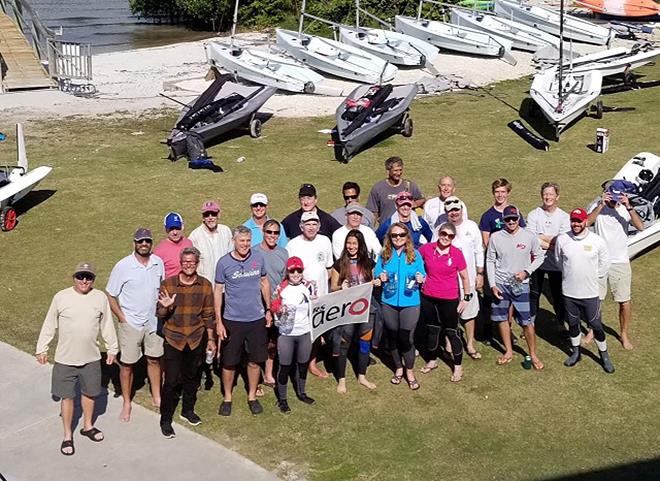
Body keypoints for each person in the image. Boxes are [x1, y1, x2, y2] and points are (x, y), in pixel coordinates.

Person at [36, 262, 118, 456]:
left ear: (93, 280)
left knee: (90, 394)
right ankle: (67, 436)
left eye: (88, 277)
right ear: (74, 277)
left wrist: (112, 348)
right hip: (65, 359)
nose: (84, 280)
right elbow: (49, 324)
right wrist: (42, 348)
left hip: (91, 358)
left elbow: (107, 325)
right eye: (80, 276)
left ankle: (87, 427)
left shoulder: (100, 298)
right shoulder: (61, 297)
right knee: (67, 397)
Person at [156, 247, 216, 438]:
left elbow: (208, 315)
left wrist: (211, 339)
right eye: (185, 262)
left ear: (197, 263)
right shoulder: (168, 284)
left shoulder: (205, 285)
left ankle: (187, 411)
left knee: (192, 378)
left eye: (192, 262)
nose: (188, 265)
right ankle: (165, 419)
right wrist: (165, 308)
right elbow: (159, 313)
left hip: (195, 338)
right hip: (174, 339)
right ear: (180, 263)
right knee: (171, 381)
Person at [106, 227, 165, 422]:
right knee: (128, 364)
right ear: (134, 244)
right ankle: (127, 402)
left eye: (147, 241)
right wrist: (122, 318)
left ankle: (157, 396)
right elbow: (111, 295)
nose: (144, 244)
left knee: (154, 359)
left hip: (153, 322)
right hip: (131, 323)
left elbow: (161, 288)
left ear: (151, 243)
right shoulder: (123, 266)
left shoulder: (158, 263)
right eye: (140, 241)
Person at [214, 226, 272, 416]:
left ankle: (252, 396)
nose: (245, 244)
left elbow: (264, 283)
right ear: (234, 241)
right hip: (232, 320)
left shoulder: (258, 258)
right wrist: (219, 321)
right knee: (229, 363)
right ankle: (227, 397)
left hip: (256, 319)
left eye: (248, 241)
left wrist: (269, 309)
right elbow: (218, 293)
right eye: (242, 241)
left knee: (255, 361)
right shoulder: (224, 263)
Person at [555, 208, 614, 373]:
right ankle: (576, 353)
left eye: (579, 221)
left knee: (595, 325)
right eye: (573, 221)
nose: (576, 224)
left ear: (585, 222)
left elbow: (604, 262)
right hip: (569, 292)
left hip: (590, 293)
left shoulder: (597, 241)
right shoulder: (562, 239)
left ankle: (604, 355)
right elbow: (560, 261)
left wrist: (594, 277)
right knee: (573, 324)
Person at [586, 183, 644, 350]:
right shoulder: (599, 206)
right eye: (612, 197)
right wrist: (601, 205)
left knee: (624, 300)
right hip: (600, 262)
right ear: (606, 194)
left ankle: (624, 333)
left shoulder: (625, 210)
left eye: (617, 197)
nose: (614, 201)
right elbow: (587, 222)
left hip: (620, 262)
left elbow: (640, 227)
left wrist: (629, 206)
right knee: (595, 300)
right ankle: (592, 330)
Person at [486, 206, 545, 369]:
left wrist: (527, 272)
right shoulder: (496, 237)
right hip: (501, 284)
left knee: (526, 322)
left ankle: (533, 354)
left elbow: (540, 256)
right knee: (502, 319)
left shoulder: (529, 236)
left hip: (521, 285)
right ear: (503, 220)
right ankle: (509, 351)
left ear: (519, 218)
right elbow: (490, 260)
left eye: (514, 218)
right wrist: (492, 285)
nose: (511, 222)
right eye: (507, 219)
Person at [374, 223, 426, 390]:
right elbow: (376, 274)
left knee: (407, 338)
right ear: (390, 237)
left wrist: (420, 278)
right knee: (393, 337)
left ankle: (409, 371)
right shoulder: (384, 255)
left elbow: (423, 274)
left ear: (407, 236)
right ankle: (398, 368)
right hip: (388, 301)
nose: (398, 238)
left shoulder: (414, 254)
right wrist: (379, 277)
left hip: (410, 302)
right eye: (394, 235)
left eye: (401, 235)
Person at [418, 223, 471, 382]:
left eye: (450, 236)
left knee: (451, 332)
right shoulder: (427, 249)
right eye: (443, 234)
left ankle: (457, 366)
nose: (446, 238)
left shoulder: (456, 254)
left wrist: (466, 297)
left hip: (449, 299)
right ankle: (432, 360)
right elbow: (414, 263)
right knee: (432, 330)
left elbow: (465, 277)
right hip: (428, 296)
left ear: (453, 238)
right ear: (438, 233)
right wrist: (420, 275)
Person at [330, 230, 379, 393]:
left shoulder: (368, 262)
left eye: (354, 243)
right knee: (344, 343)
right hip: (348, 310)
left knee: (365, 343)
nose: (351, 246)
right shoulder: (340, 263)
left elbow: (373, 282)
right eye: (348, 243)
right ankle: (342, 380)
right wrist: (340, 287)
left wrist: (377, 282)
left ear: (360, 245)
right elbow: (333, 287)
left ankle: (362, 376)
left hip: (367, 309)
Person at [286, 211, 334, 378]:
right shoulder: (292, 245)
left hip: (320, 296)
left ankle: (311, 364)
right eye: (308, 224)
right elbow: (288, 271)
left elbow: (329, 268)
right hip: (298, 297)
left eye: (315, 224)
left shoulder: (325, 241)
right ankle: (295, 362)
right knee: (299, 329)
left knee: (316, 330)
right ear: (301, 226)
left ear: (319, 226)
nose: (311, 227)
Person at [271, 256, 317, 414]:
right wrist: (278, 309)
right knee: (284, 366)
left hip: (304, 331)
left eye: (299, 270)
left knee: (303, 364)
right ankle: (282, 399)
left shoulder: (309, 286)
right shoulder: (281, 287)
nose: (296, 274)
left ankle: (302, 392)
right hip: (286, 333)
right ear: (288, 272)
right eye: (292, 271)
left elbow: (317, 306)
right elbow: (273, 303)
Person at [443, 196, 484, 359]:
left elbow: (478, 250)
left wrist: (480, 274)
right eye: (450, 210)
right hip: (447, 282)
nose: (453, 213)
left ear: (461, 210)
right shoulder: (442, 228)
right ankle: (448, 343)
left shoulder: (471, 226)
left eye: (456, 209)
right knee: (448, 315)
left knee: (469, 314)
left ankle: (470, 343)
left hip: (469, 280)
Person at [526, 183, 570, 332]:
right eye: (545, 194)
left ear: (557, 196)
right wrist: (552, 243)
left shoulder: (564, 217)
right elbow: (531, 239)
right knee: (534, 295)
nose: (548, 197)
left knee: (558, 295)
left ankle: (561, 324)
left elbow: (562, 241)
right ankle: (530, 325)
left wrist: (542, 238)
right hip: (536, 263)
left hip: (556, 264)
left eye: (551, 194)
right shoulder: (534, 214)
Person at [255, 218, 289, 388]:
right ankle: (256, 378)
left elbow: (285, 280)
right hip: (256, 304)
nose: (272, 236)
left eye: (276, 233)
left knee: (272, 342)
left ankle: (268, 374)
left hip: (275, 304)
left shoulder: (283, 253)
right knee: (257, 342)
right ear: (263, 232)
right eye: (269, 232)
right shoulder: (254, 252)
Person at [366, 156, 425, 224]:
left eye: (400, 170)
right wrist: (371, 229)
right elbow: (373, 212)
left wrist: (414, 204)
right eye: (396, 170)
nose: (399, 173)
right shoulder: (378, 188)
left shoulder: (409, 185)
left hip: (406, 228)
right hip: (386, 228)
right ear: (388, 171)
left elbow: (422, 200)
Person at [188, 200, 233, 282]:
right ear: (203, 217)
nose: (210, 217)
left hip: (224, 285)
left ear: (219, 215)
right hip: (204, 287)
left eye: (213, 214)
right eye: (206, 215)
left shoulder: (226, 231)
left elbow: (231, 257)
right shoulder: (194, 236)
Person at [479, 178, 526, 247]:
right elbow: (486, 242)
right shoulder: (487, 216)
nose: (500, 195)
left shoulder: (515, 212)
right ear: (493, 193)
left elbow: (523, 233)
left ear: (508, 193)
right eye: (497, 192)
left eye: (503, 192)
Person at [153, 212, 193, 278]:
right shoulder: (159, 251)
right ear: (165, 229)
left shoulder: (189, 243)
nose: (175, 232)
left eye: (177, 228)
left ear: (182, 227)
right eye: (171, 229)